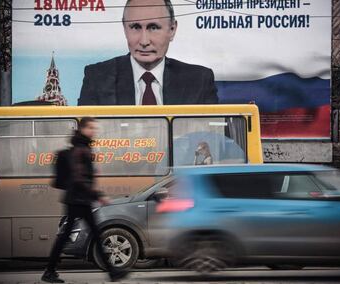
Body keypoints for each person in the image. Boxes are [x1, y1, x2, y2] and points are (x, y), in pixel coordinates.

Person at [78, 0, 218, 106]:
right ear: (125, 28)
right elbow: (84, 141)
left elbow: (213, 141)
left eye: (153, 27)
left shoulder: (199, 81)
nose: (144, 41)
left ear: (172, 30)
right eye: (135, 27)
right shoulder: (97, 78)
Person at [42, 117, 128, 283]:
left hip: (77, 198)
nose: (93, 131)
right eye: (91, 128)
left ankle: (50, 270)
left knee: (79, 233)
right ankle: (112, 272)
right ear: (82, 128)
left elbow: (80, 177)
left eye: (94, 128)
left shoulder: (82, 147)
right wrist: (98, 195)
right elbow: (78, 177)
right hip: (78, 198)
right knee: (89, 233)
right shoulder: (80, 149)